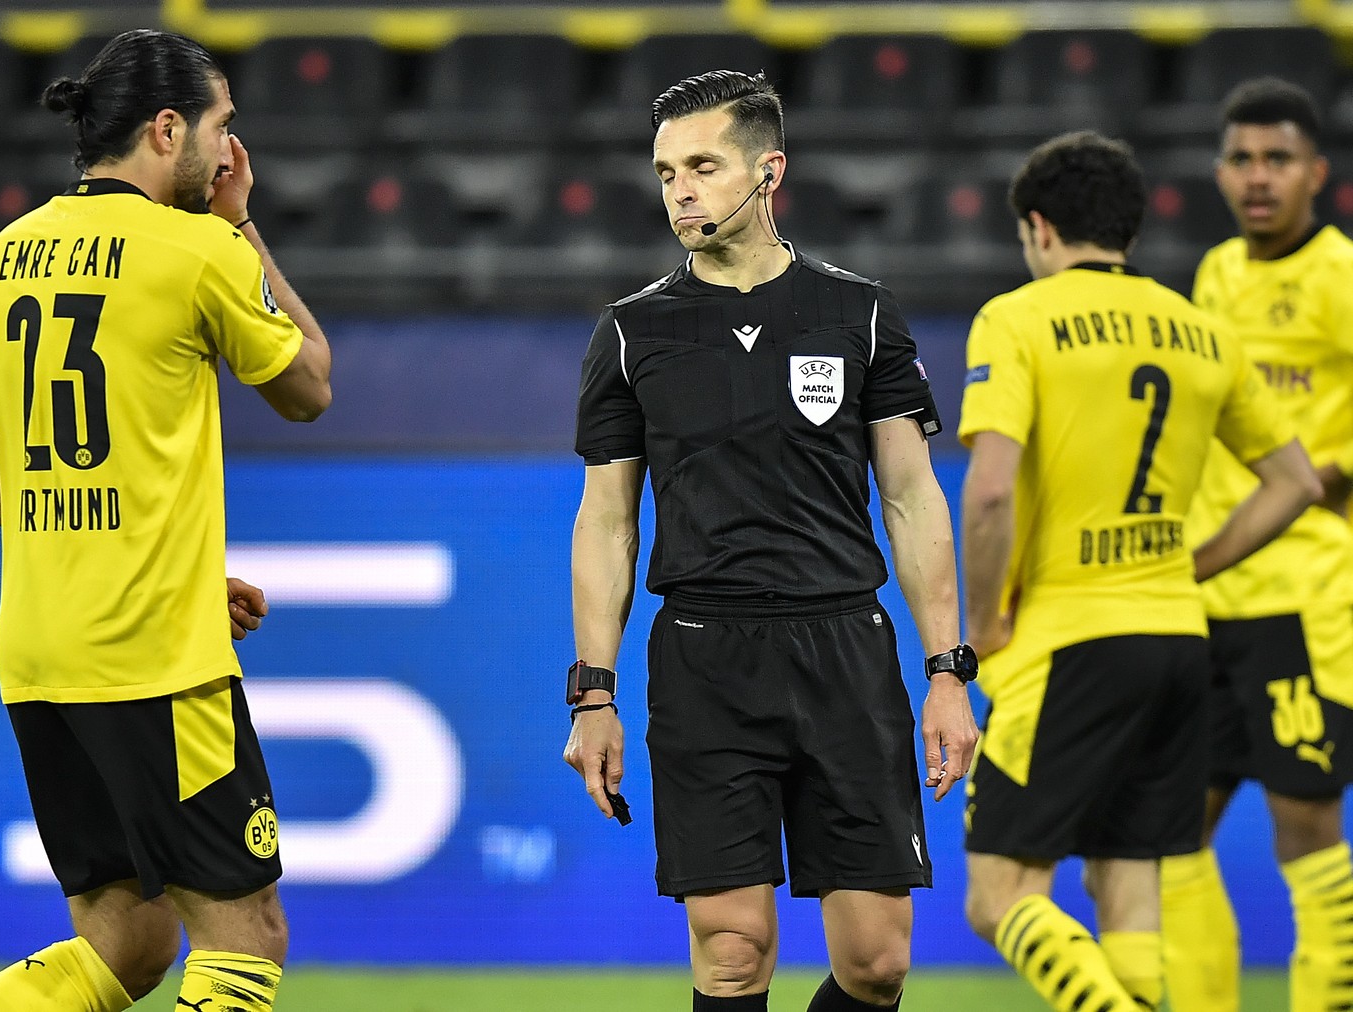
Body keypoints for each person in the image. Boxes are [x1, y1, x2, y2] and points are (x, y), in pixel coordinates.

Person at [564, 69, 979, 1012]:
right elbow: (607, 521)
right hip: (706, 660)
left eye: (703, 166)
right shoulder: (631, 333)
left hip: (845, 649)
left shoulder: (860, 314)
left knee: (877, 965)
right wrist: (592, 691)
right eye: (667, 171)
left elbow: (913, 500)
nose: (681, 190)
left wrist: (948, 671)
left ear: (769, 171)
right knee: (734, 954)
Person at [0, 29, 331, 1012]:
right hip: (155, 658)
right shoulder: (197, 247)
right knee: (247, 937)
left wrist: (183, 567)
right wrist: (242, 226)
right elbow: (309, 385)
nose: (230, 149)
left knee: (128, 940)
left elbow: (1, 494)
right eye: (221, 125)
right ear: (168, 130)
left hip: (39, 660)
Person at [958, 129, 1318, 1012]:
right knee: (1129, 899)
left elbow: (991, 494)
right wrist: (1195, 565)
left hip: (1067, 641)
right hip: (1176, 643)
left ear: (1039, 229)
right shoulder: (1201, 331)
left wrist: (982, 623)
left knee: (998, 898)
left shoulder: (1017, 319)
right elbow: (1297, 481)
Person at [1160, 77, 1353, 1012]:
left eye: (1279, 159)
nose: (1259, 178)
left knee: (1305, 828)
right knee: (1171, 830)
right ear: (1220, 172)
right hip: (1211, 599)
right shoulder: (1216, 276)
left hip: (1307, 601)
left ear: (1318, 173)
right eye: (1241, 159)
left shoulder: (1342, 281)